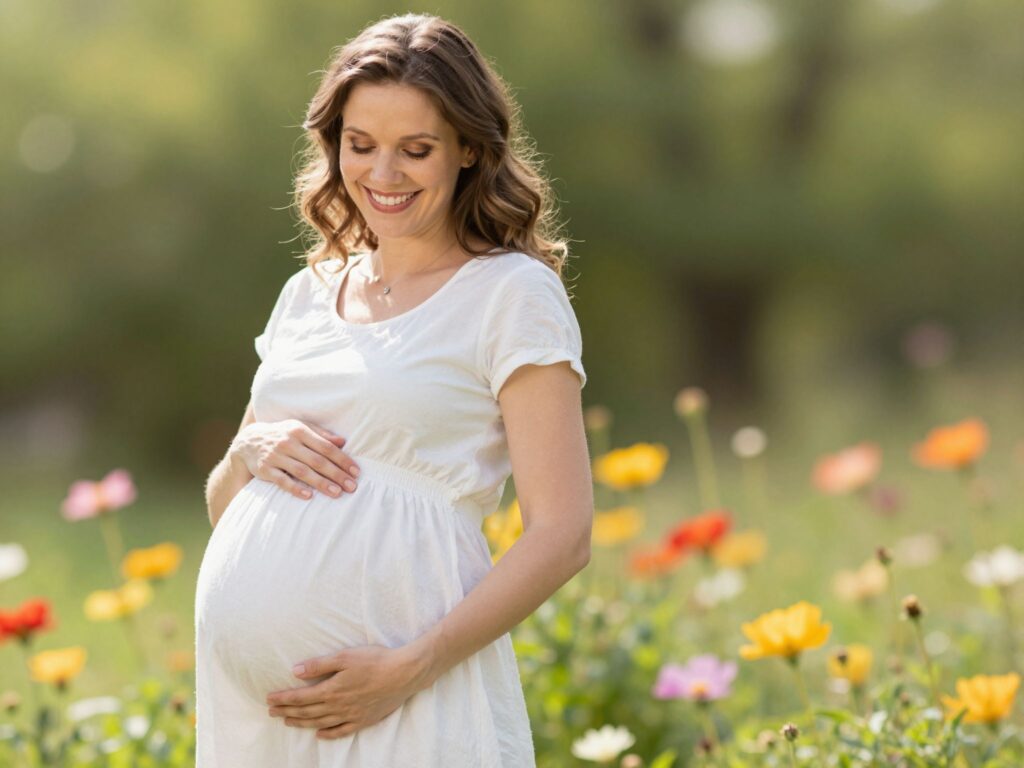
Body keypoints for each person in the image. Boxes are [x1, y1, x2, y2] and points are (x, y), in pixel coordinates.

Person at [195, 13, 593, 767]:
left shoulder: (510, 294)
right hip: (260, 721)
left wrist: (411, 667)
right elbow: (226, 508)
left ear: (469, 149)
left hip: (411, 699)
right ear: (334, 142)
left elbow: (563, 533)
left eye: (416, 150)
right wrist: (248, 449)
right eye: (361, 145)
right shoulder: (306, 296)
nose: (383, 175)